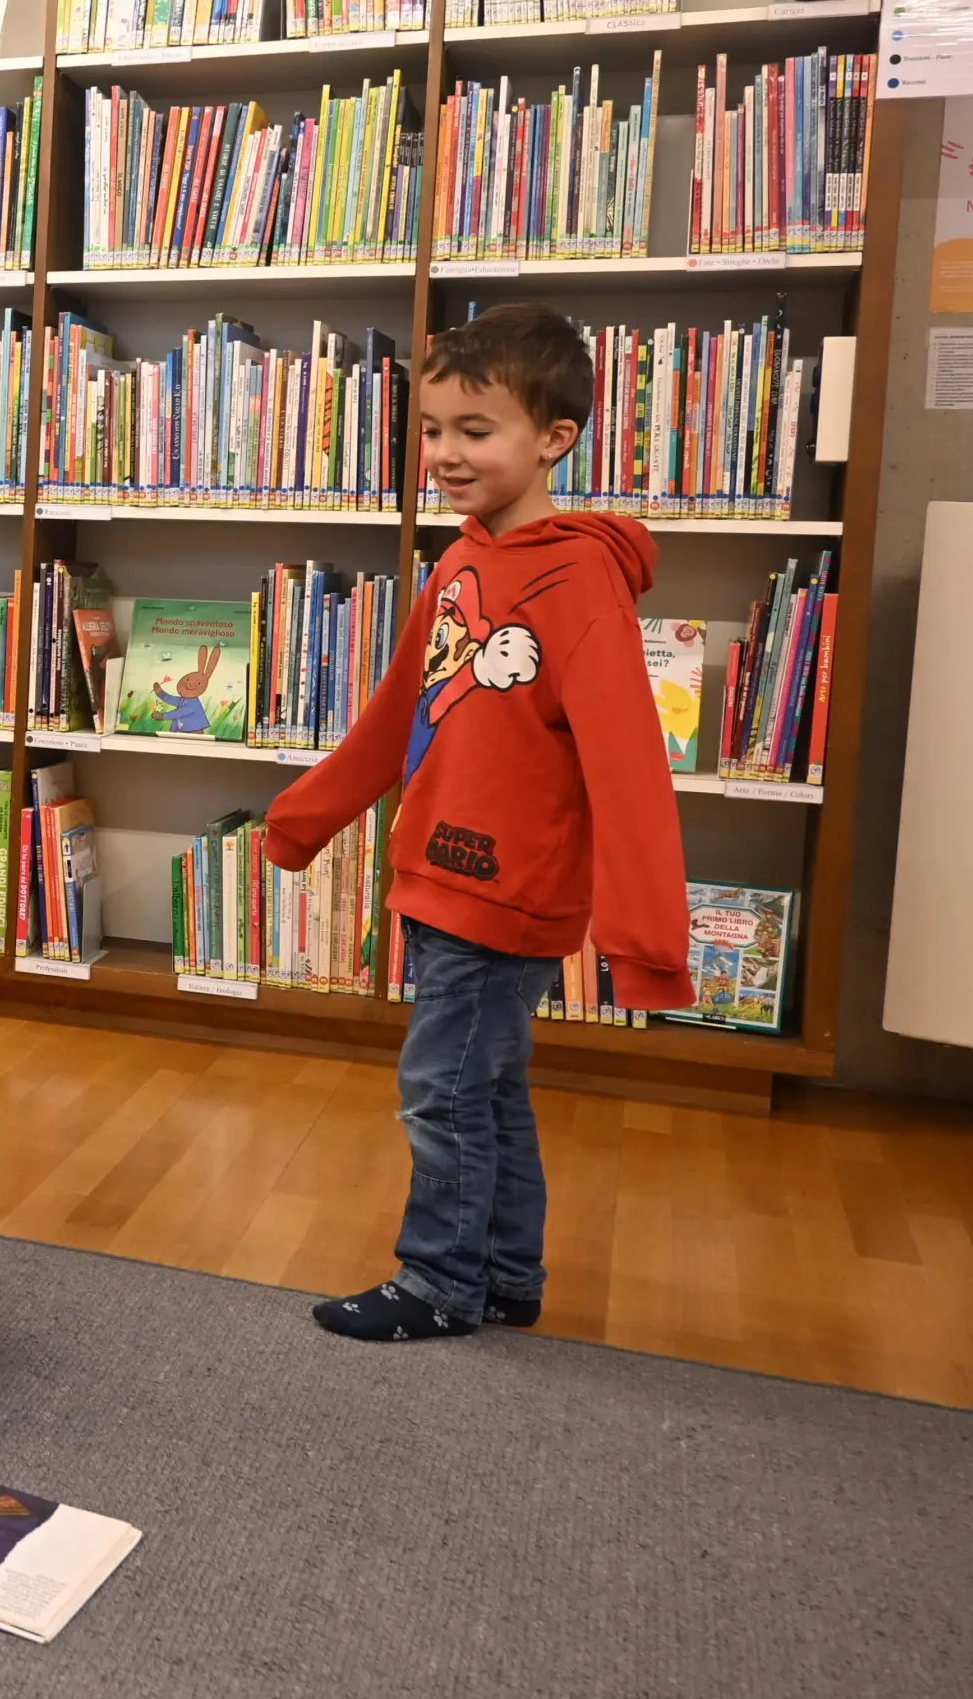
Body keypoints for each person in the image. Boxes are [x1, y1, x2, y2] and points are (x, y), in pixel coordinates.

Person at [263, 303, 691, 1343]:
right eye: (434, 429)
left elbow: (628, 764)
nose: (447, 454)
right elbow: (400, 707)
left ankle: (441, 1279)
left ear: (555, 437)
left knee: (440, 1088)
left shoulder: (578, 578)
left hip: (510, 889)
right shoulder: (459, 564)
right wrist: (303, 817)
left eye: (476, 430)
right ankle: (505, 1270)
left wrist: (648, 943)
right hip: (440, 872)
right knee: (486, 1088)